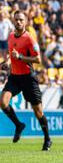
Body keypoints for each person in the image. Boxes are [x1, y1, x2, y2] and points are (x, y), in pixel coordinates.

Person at [0, 10, 52, 150]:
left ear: (25, 22)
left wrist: (21, 58)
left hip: (28, 78)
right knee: (3, 102)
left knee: (38, 112)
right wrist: (8, 63)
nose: (18, 22)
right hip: (15, 77)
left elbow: (38, 59)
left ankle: (47, 139)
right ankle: (18, 125)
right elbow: (12, 56)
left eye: (21, 20)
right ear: (13, 20)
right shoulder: (10, 37)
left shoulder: (29, 39)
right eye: (16, 19)